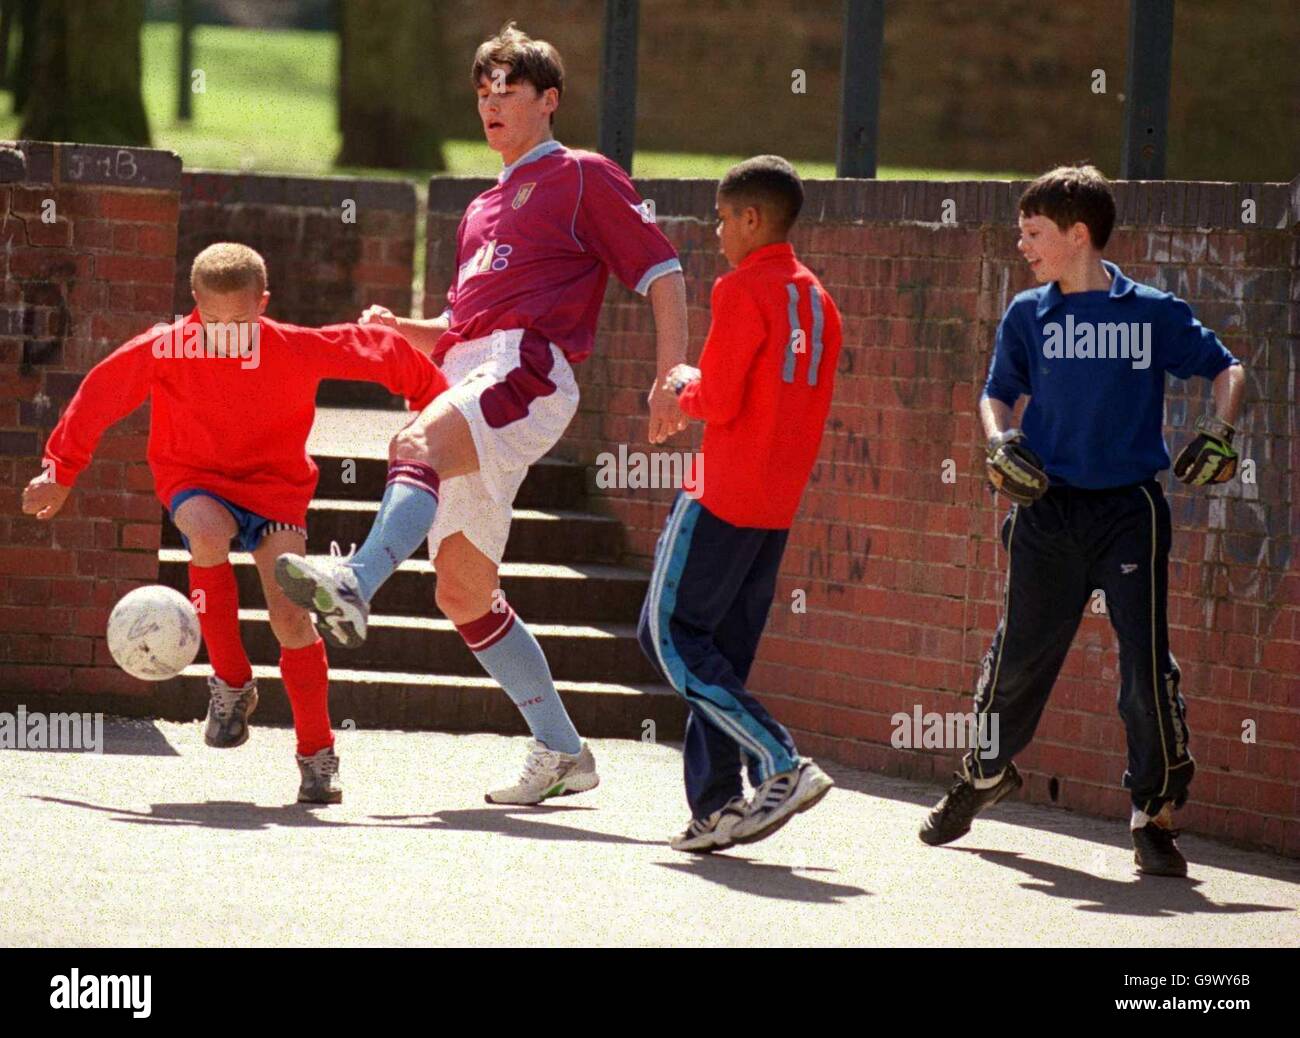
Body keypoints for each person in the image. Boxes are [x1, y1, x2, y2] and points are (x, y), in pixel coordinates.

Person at [274, 22, 690, 805]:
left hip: (528, 367)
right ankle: (564, 751)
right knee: (463, 592)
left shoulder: (580, 175)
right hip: (476, 368)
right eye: (483, 90)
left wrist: (672, 371)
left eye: (510, 89)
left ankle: (357, 580)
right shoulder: (480, 209)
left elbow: (663, 270)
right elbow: (461, 328)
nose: (492, 103)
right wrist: (408, 331)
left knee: (414, 441)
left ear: (550, 101)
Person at [22, 242, 447, 803]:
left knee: (291, 618)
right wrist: (60, 469)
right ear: (194, 302)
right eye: (212, 320)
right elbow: (100, 394)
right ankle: (230, 679)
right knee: (205, 532)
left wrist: (443, 408)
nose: (225, 334)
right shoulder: (166, 347)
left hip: (275, 492)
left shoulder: (293, 347)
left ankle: (318, 755)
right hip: (194, 480)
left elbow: (379, 350)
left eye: (240, 321)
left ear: (263, 303)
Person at [920, 165, 1246, 878]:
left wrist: (1221, 432)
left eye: (1033, 232)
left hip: (1130, 511)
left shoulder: (1151, 311)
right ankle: (984, 773)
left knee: (1144, 670)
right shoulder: (1027, 313)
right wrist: (1000, 440)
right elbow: (997, 393)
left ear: (1078, 234)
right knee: (1018, 660)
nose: (1022, 244)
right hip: (1047, 509)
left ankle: (1153, 816)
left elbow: (1229, 369)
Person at [640, 155, 841, 853]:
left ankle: (782, 761)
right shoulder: (818, 299)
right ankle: (719, 805)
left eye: (724, 217)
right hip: (775, 508)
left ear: (752, 219)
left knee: (667, 639)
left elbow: (718, 399)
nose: (718, 230)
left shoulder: (740, 288)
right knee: (717, 653)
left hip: (720, 493)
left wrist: (678, 388)